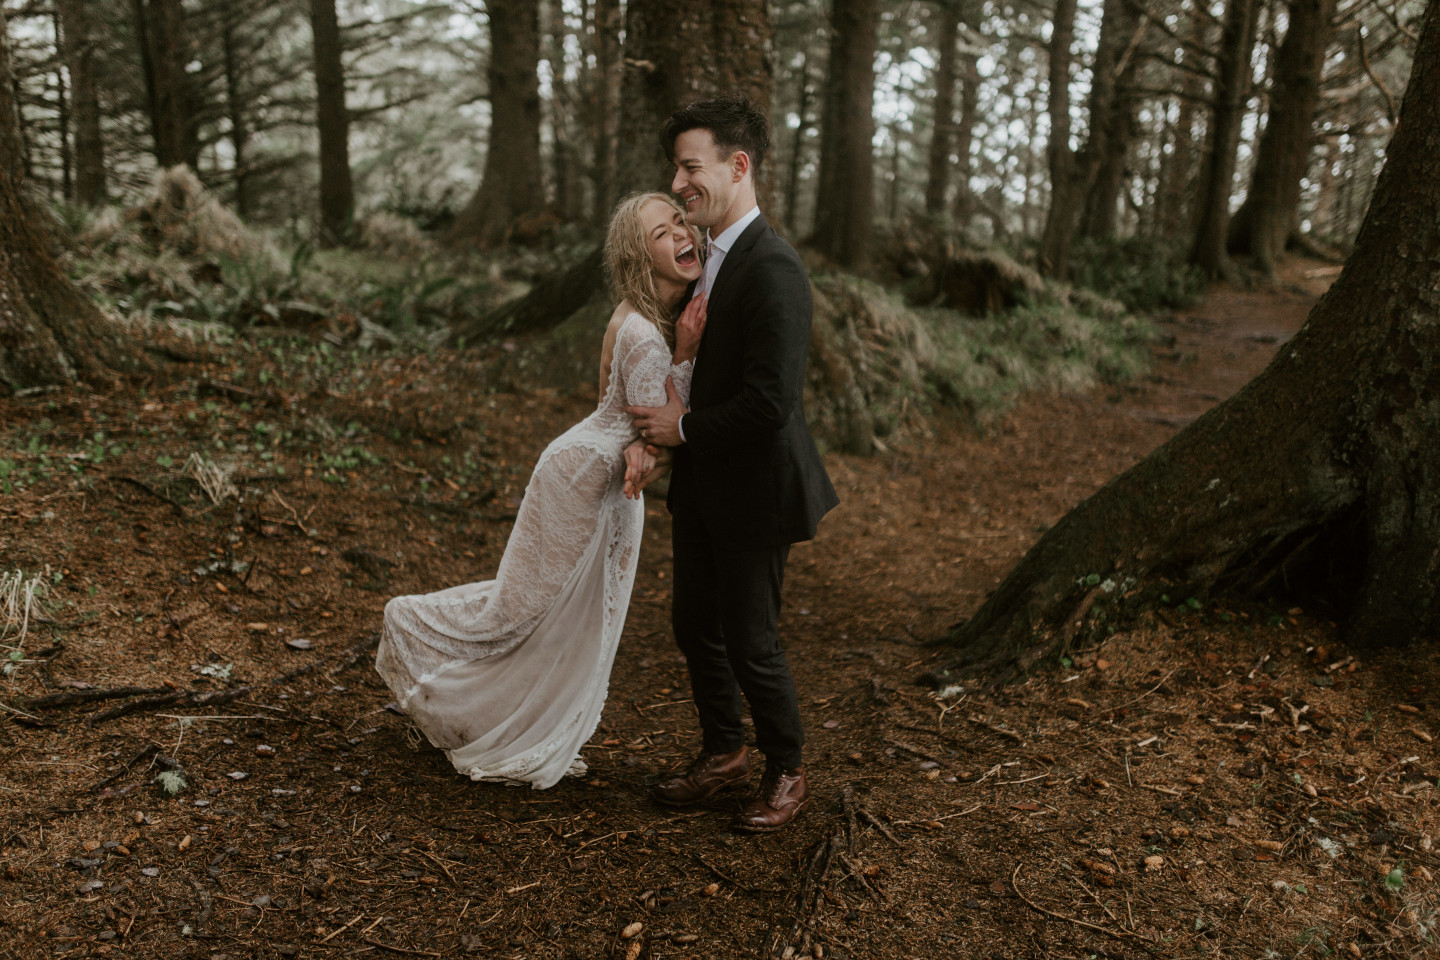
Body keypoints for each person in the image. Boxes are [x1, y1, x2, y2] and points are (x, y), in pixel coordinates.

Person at [374, 192, 707, 789]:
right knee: (528, 610)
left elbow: (633, 419)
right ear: (639, 254)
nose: (682, 232)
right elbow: (665, 422)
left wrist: (642, 444)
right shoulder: (647, 335)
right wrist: (684, 355)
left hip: (597, 474)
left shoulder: (638, 316)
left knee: (567, 617)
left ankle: (520, 724)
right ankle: (413, 628)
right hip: (580, 480)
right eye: (663, 231)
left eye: (681, 220)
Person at [626, 96, 839, 833]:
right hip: (706, 487)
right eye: (676, 169)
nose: (680, 182)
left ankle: (787, 768)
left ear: (736, 165)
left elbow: (771, 402)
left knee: (752, 636)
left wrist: (680, 428)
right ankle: (724, 751)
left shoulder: (773, 267)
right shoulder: (709, 258)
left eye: (691, 166)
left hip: (756, 490)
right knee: (693, 626)